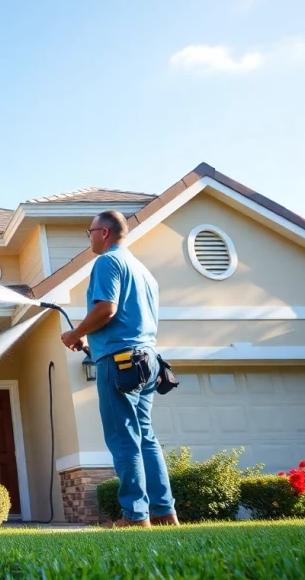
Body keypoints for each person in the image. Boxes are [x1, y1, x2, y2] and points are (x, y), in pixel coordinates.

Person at [60, 210, 178, 527]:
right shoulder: (144, 272)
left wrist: (76, 333)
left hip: (121, 362)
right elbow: (129, 320)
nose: (90, 238)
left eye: (90, 232)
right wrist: (91, 343)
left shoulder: (107, 262)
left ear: (105, 233)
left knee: (124, 438)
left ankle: (135, 516)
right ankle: (165, 512)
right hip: (147, 360)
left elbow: (107, 308)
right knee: (146, 438)